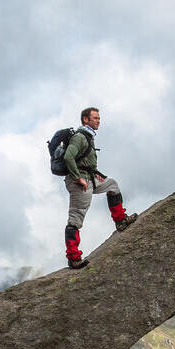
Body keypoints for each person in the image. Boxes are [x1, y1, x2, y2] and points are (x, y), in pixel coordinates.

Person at [63, 107, 137, 269]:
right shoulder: (80, 137)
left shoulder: (88, 136)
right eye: (95, 118)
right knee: (76, 219)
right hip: (80, 183)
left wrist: (96, 174)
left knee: (112, 185)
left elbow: (83, 160)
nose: (98, 121)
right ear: (85, 119)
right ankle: (74, 258)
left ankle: (121, 221)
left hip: (90, 178)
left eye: (99, 118)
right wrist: (78, 178)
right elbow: (68, 157)